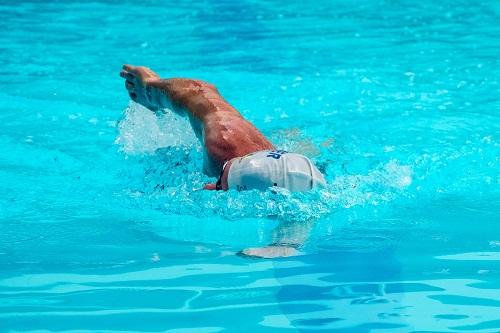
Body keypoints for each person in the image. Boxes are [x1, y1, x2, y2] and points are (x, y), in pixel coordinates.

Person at [119, 64, 327, 193]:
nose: (212, 186)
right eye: (221, 179)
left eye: (221, 186)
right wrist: (149, 90)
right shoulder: (222, 139)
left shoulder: (311, 183)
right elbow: (197, 91)